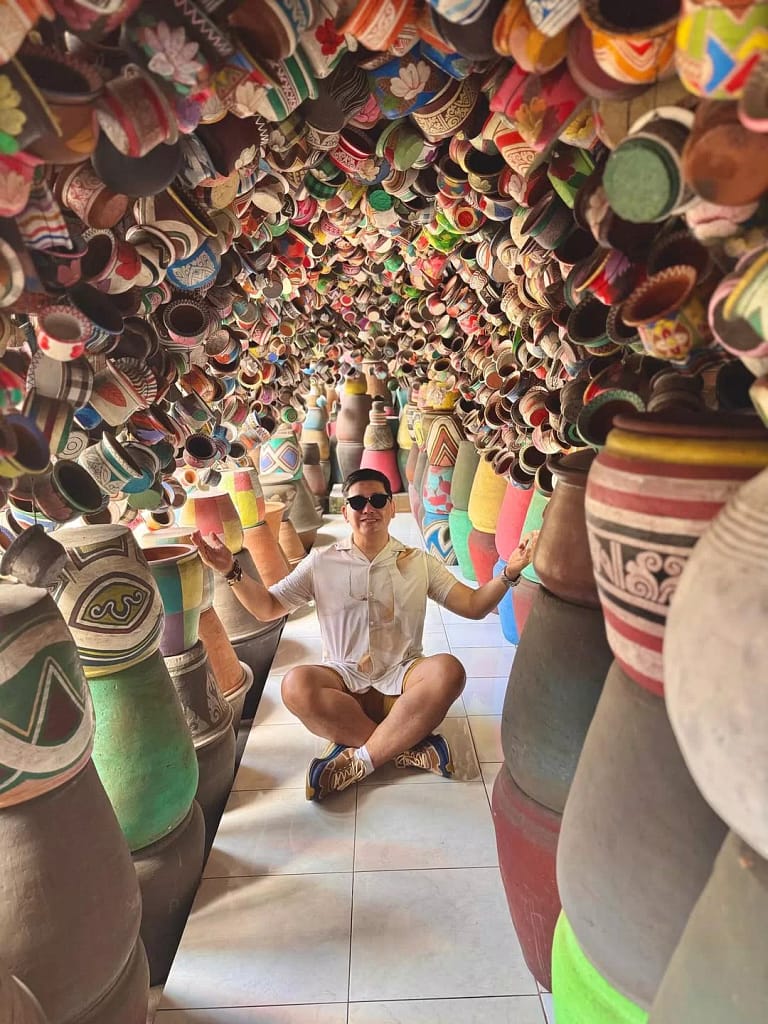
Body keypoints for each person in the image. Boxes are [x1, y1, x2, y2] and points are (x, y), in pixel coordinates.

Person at [192, 468, 536, 803]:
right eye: (357, 502)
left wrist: (510, 571)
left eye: (378, 500)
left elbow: (473, 606)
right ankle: (406, 746)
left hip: (403, 682)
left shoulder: (418, 562)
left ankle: (361, 760)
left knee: (449, 671)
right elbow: (267, 607)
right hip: (344, 684)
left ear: (391, 507)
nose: (368, 508)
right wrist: (230, 569)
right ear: (345, 512)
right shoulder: (321, 562)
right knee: (295, 686)